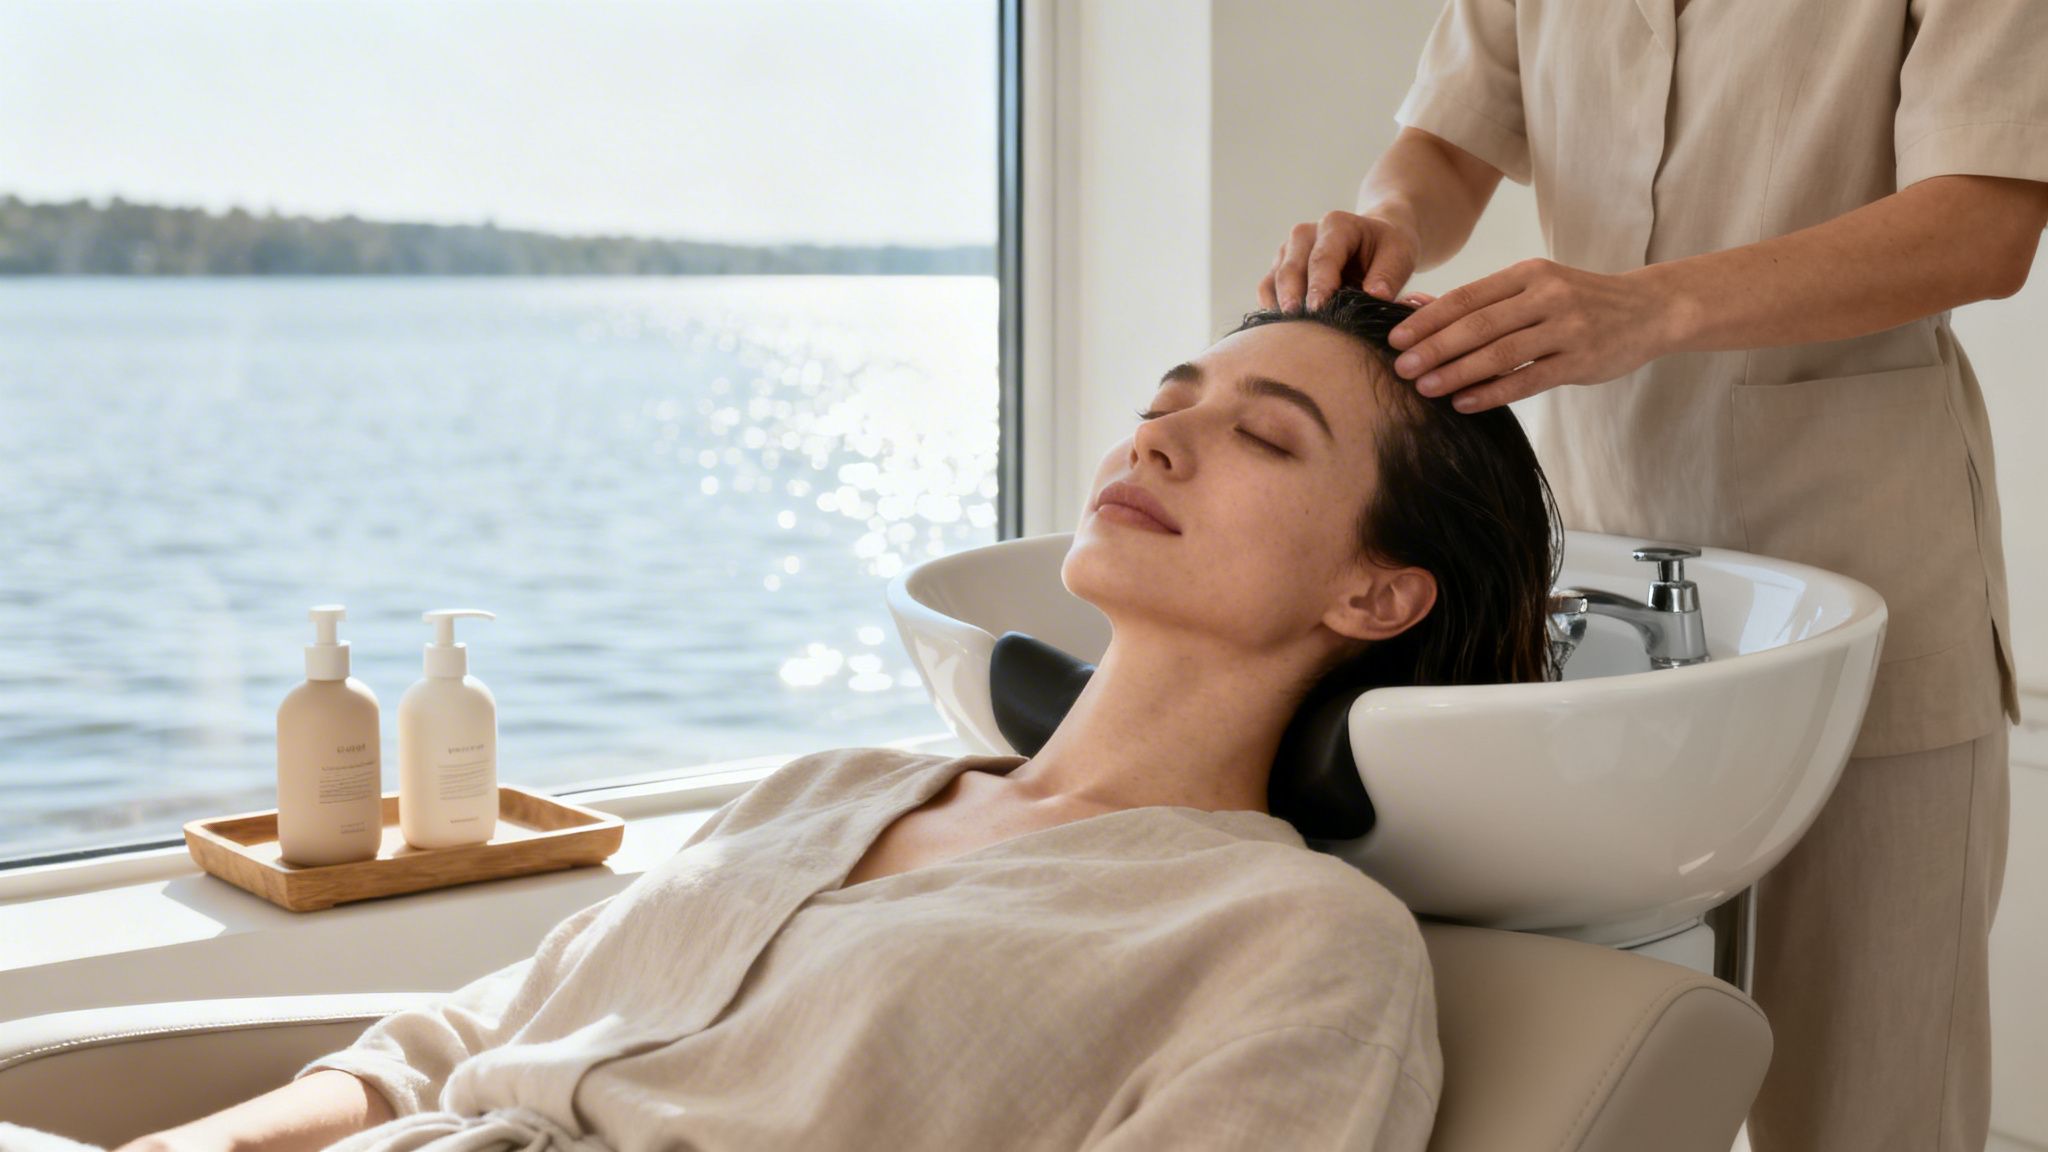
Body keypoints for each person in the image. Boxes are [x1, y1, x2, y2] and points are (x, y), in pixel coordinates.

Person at [0, 290, 1556, 1152]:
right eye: (1172, 394)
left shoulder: (1290, 936)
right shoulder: (838, 785)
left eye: (1262, 436)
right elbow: (454, 1041)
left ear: (1377, 598)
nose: (1165, 431)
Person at [1259, 3, 2048, 1149]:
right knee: (1593, 1077)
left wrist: (1649, 303)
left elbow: (1981, 227)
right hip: (1592, 592)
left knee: (1871, 1102)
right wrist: (1386, 218)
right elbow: (1449, 136)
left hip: (1858, 558)